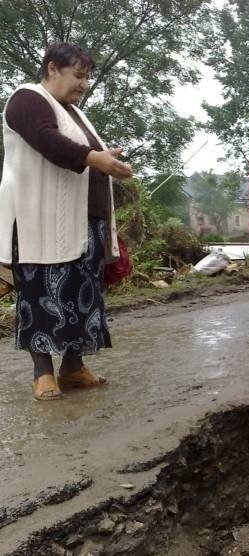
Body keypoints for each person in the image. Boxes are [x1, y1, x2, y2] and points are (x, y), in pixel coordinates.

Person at [0, 43, 134, 401]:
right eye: (78, 75)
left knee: (83, 296)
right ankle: (42, 373)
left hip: (83, 221)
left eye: (87, 77)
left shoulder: (73, 112)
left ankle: (73, 367)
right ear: (52, 69)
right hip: (36, 222)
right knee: (39, 296)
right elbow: (47, 141)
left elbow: (84, 155)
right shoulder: (26, 99)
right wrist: (96, 159)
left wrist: (110, 165)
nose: (84, 84)